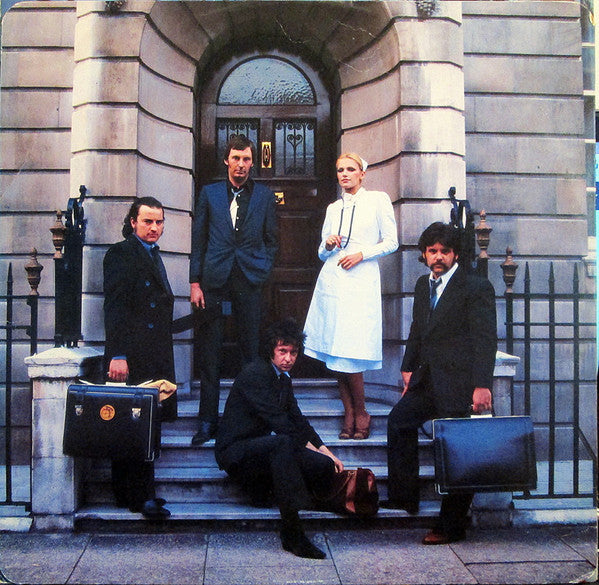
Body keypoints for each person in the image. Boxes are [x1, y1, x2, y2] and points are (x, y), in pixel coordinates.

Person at [385, 221, 497, 544]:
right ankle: (404, 498)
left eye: (444, 251)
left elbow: (485, 339)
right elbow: (417, 330)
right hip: (428, 380)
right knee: (399, 421)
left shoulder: (475, 287)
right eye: (432, 251)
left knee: (457, 449)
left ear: (455, 254)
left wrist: (482, 385)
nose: (438, 257)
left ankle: (451, 526)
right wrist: (407, 368)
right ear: (424, 254)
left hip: (461, 384)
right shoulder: (424, 285)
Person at [215, 318, 344, 559]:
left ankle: (274, 494)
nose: (288, 358)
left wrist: (327, 452)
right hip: (236, 454)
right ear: (271, 350)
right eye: (282, 351)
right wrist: (309, 448)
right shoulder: (255, 374)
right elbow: (280, 424)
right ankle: (292, 533)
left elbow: (298, 420)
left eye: (293, 352)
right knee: (283, 442)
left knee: (323, 465)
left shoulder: (283, 378)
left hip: (262, 452)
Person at [189, 134, 278, 445]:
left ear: (253, 163)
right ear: (226, 160)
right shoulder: (209, 193)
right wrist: (195, 282)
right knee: (210, 353)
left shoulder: (264, 196)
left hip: (249, 281)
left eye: (246, 159)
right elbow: (198, 240)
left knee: (251, 352)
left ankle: (248, 419)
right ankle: (207, 421)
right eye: (236, 158)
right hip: (213, 281)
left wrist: (262, 268)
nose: (241, 164)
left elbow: (271, 240)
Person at [303, 153, 398, 440]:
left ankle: (362, 411)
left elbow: (391, 242)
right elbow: (322, 254)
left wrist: (361, 254)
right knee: (336, 350)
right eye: (340, 170)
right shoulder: (334, 208)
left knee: (351, 350)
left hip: (360, 281)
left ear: (362, 173)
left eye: (350, 169)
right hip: (333, 282)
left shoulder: (377, 200)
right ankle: (349, 412)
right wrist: (328, 244)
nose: (344, 174)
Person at [103, 196, 175, 520]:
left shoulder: (152, 253)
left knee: (145, 423)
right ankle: (140, 497)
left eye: (159, 221)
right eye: (147, 221)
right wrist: (117, 354)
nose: (154, 227)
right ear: (133, 222)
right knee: (134, 425)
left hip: (153, 352)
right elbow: (115, 307)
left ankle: (134, 495)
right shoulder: (121, 253)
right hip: (131, 355)